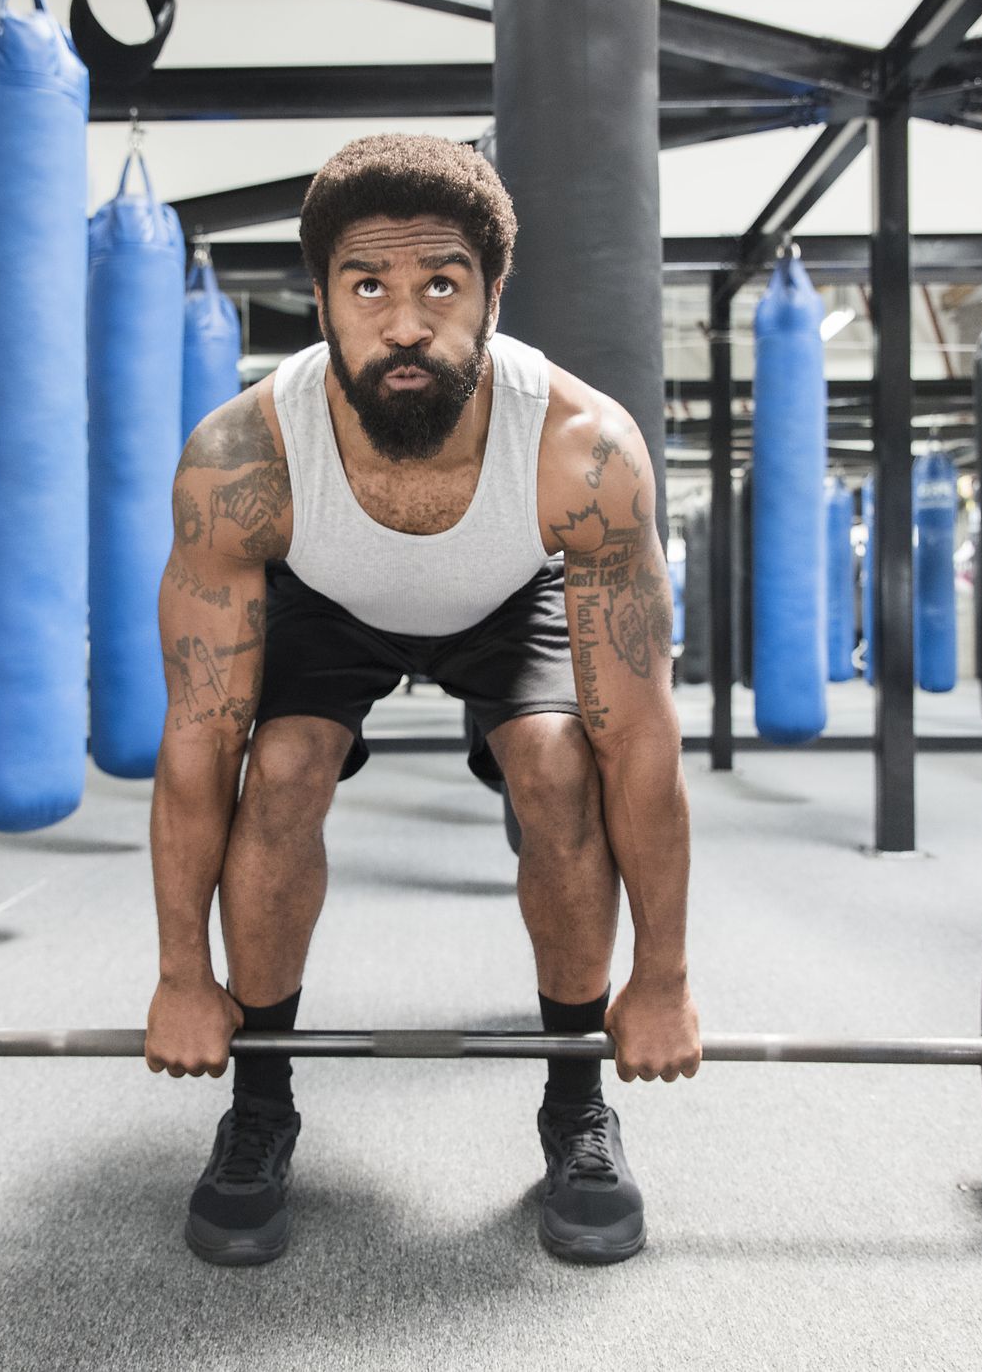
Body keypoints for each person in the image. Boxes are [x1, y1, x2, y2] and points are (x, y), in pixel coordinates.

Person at [145, 134, 699, 1267]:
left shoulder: (582, 451)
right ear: (320, 300)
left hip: (505, 594)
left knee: (557, 766)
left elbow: (639, 739)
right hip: (329, 592)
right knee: (283, 766)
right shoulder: (241, 460)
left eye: (441, 284)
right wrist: (178, 976)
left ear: (492, 295)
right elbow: (197, 741)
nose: (405, 322)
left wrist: (664, 976)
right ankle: (260, 1104)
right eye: (368, 287)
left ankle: (574, 1103)